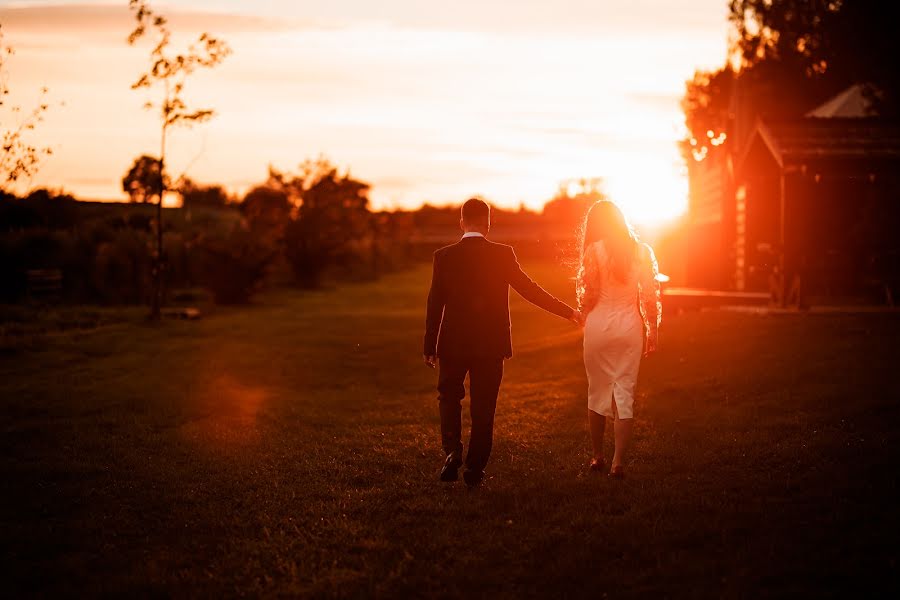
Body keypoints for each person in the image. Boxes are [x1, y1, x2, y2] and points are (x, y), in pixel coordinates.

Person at [424, 198, 581, 487]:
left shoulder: (443, 256)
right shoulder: (502, 254)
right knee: (484, 407)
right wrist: (569, 312)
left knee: (449, 398)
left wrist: (429, 346)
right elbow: (530, 290)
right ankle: (474, 469)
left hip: (452, 344)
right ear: (488, 224)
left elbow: (435, 303)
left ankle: (452, 451)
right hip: (490, 345)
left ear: (462, 223)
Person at [577, 200, 661, 479]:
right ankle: (618, 463)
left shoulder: (593, 251)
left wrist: (582, 315)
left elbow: (588, 293)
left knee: (597, 391)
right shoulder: (642, 251)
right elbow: (649, 296)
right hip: (629, 329)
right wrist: (653, 330)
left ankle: (597, 456)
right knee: (625, 394)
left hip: (599, 327)